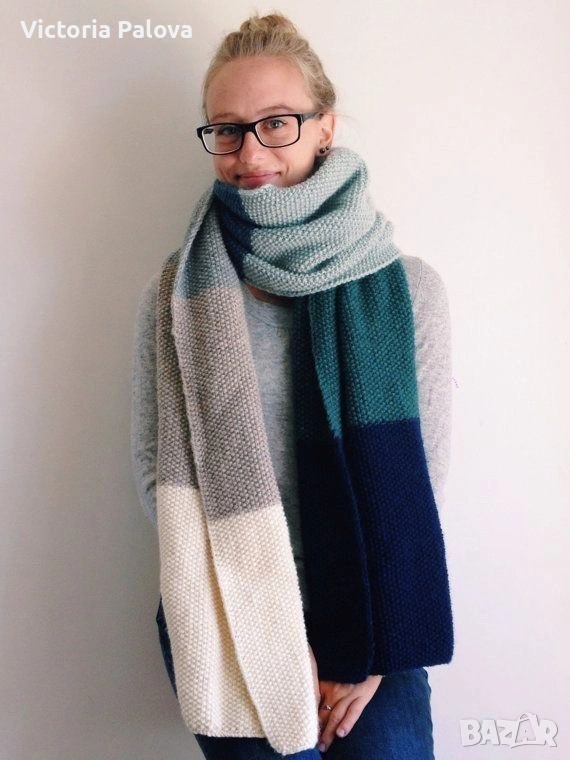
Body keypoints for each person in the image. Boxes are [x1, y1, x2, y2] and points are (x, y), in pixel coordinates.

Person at [131, 12, 454, 759]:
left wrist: (369, 644)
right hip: (226, 613)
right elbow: (156, 472)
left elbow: (423, 478)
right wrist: (266, 632)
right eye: (228, 130)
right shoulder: (177, 294)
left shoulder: (409, 289)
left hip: (378, 605)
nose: (250, 153)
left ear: (324, 127)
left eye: (277, 123)